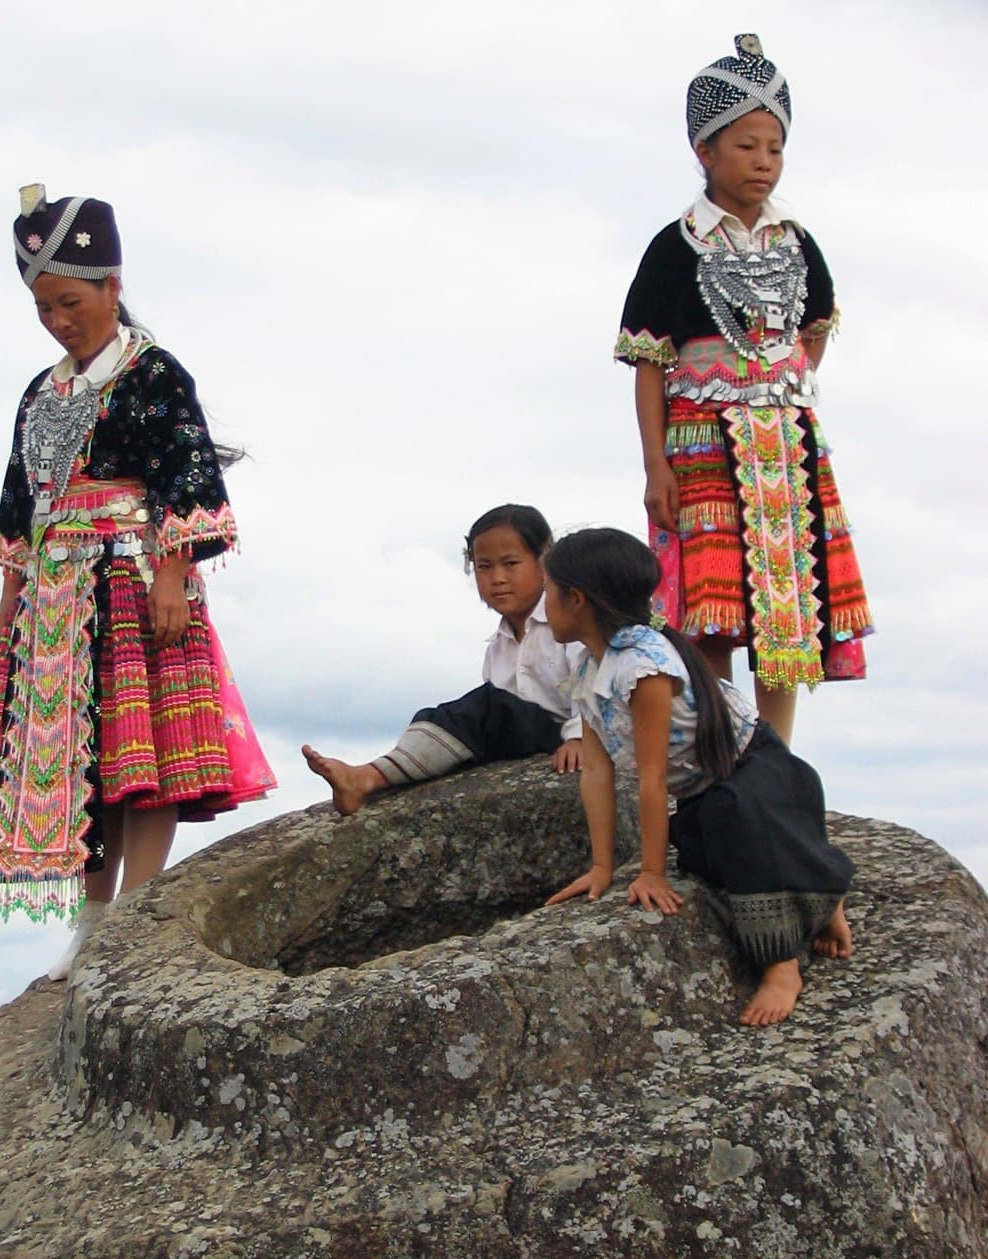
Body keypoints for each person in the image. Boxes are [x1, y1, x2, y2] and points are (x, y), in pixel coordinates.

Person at [0, 186, 275, 978]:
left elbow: (189, 475)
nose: (58, 321)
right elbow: (19, 495)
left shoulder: (154, 374)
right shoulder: (41, 392)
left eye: (70, 301)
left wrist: (172, 574)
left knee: (147, 748)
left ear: (111, 285)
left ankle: (134, 916)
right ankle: (91, 919)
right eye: (43, 308)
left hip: (134, 574)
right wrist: (12, 592)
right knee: (80, 759)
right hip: (56, 592)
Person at [614, 34, 873, 746]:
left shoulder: (797, 243)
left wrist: (773, 381)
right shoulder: (676, 247)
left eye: (775, 148)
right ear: (705, 151)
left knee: (785, 612)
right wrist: (655, 464)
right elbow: (648, 364)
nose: (764, 162)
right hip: (700, 441)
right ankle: (720, 748)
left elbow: (813, 332)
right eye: (747, 146)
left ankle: (776, 762)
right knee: (711, 614)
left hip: (785, 445)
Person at [544, 527, 854, 1027]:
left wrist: (651, 872)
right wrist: (602, 867)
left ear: (576, 599)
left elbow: (651, 777)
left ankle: (782, 963)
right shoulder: (589, 670)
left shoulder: (644, 667)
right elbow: (597, 771)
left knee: (740, 837)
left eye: (548, 591)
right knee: (700, 849)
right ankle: (821, 895)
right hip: (707, 791)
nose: (545, 604)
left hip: (762, 777)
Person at [303, 504, 585, 815]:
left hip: (562, 737)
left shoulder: (569, 624)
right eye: (484, 567)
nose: (497, 578)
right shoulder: (498, 646)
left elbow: (591, 686)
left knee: (486, 707)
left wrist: (578, 739)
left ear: (545, 562)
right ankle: (384, 775)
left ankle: (367, 778)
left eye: (511, 563)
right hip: (522, 743)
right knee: (438, 717)